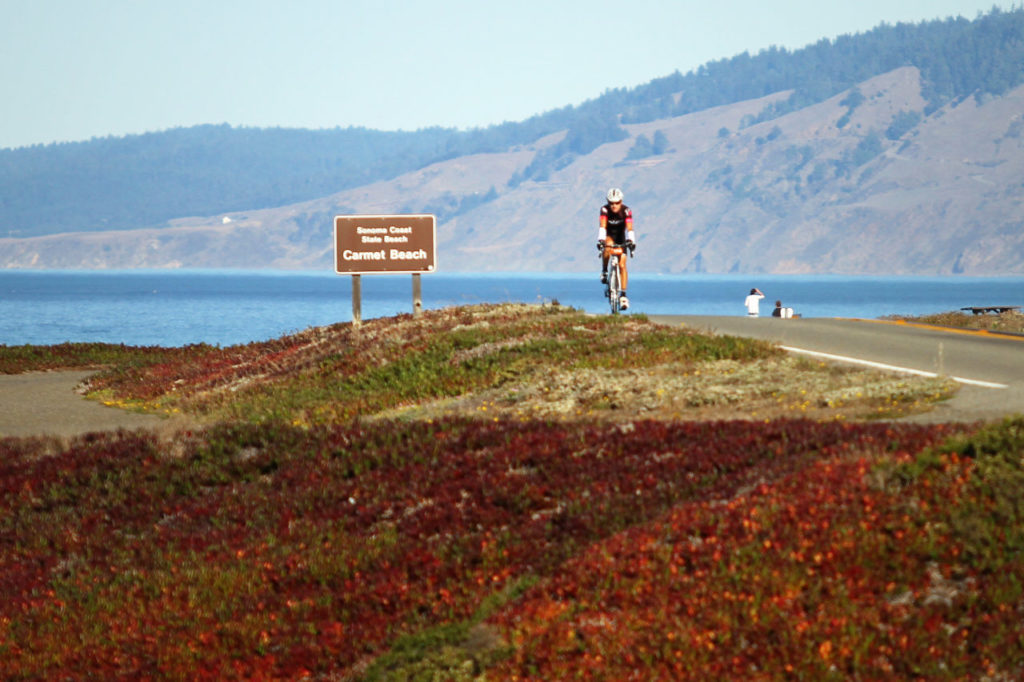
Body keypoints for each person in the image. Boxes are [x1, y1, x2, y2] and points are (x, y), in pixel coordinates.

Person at [597, 187, 636, 310]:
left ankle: (623, 295)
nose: (614, 206)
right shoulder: (604, 210)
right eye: (611, 203)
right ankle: (604, 271)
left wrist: (631, 241)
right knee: (607, 246)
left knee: (622, 265)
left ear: (621, 202)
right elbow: (603, 225)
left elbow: (629, 227)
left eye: (617, 203)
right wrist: (601, 240)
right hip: (609, 236)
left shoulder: (626, 211)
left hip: (621, 237)